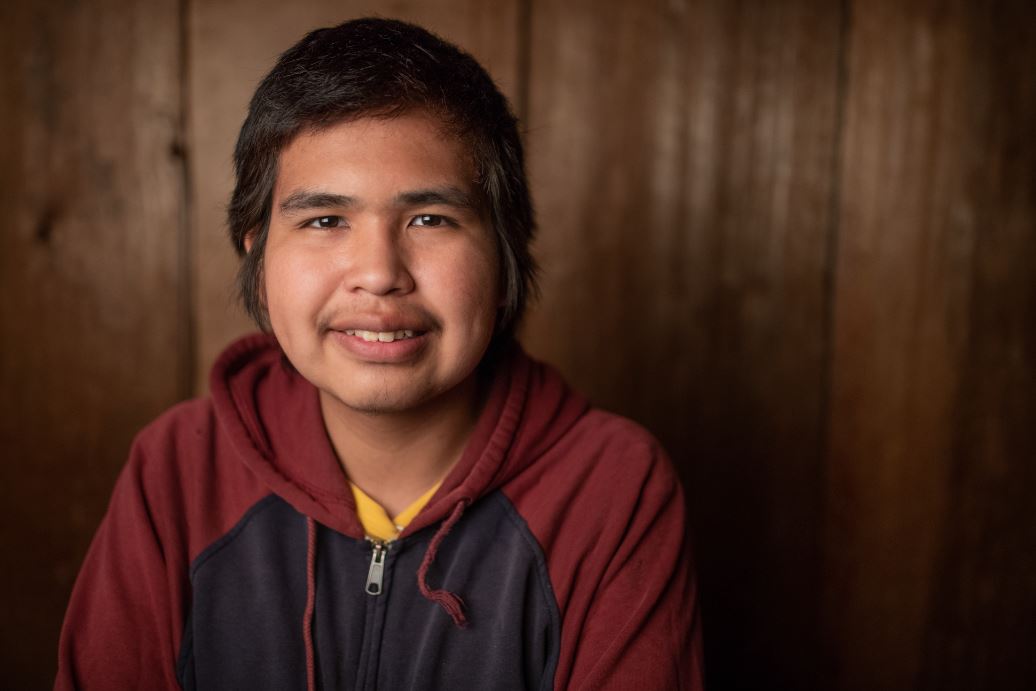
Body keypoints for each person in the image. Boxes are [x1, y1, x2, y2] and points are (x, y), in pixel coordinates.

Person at [55, 17, 703, 691]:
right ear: (259, 260)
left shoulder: (613, 488)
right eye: (325, 221)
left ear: (505, 257)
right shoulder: (178, 471)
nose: (378, 272)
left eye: (430, 219)